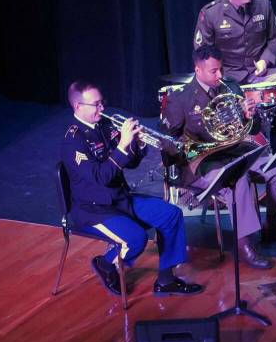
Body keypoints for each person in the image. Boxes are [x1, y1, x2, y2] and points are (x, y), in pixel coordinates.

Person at [161, 44, 276, 270]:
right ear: (198, 70)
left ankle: (272, 225)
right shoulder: (181, 99)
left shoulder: (231, 88)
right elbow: (166, 139)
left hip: (236, 149)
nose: (219, 75)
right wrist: (182, 157)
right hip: (204, 160)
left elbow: (252, 129)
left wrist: (249, 116)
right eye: (213, 71)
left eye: (220, 70)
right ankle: (243, 244)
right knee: (238, 181)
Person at [60, 80, 200, 297]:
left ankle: (166, 280)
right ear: (78, 107)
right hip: (93, 210)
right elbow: (101, 177)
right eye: (96, 105)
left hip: (119, 199)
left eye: (101, 102)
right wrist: (123, 145)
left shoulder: (104, 126)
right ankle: (106, 264)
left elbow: (130, 163)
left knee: (170, 214)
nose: (102, 108)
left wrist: (139, 144)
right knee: (136, 239)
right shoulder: (73, 141)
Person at [193, 0, 276, 137]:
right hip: (228, 77)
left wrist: (265, 60)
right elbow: (202, 52)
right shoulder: (211, 13)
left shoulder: (263, 4)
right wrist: (218, 77)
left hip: (260, 72)